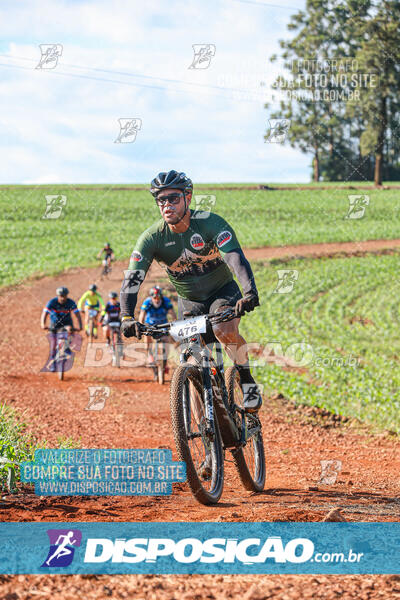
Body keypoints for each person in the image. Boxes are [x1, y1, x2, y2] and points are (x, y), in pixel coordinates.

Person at [120, 170, 262, 413]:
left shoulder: (210, 222)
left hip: (222, 293)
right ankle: (207, 435)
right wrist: (126, 316)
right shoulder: (152, 238)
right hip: (190, 302)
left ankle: (247, 380)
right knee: (193, 362)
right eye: (161, 200)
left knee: (224, 331)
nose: (167, 205)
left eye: (173, 198)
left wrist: (249, 292)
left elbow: (235, 257)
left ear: (188, 196)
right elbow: (133, 279)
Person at [41, 287, 82, 371]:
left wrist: (80, 325)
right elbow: (44, 313)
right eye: (61, 296)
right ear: (58, 296)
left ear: (67, 296)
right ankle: (53, 363)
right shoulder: (52, 302)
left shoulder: (71, 303)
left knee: (70, 331)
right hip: (54, 324)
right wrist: (43, 324)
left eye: (64, 296)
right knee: (53, 345)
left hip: (67, 323)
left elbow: (77, 314)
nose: (63, 298)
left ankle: (67, 348)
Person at [138, 285, 177, 365]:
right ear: (151, 297)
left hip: (163, 324)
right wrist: (140, 326)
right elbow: (142, 315)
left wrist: (175, 323)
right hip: (150, 324)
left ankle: (165, 360)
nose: (156, 300)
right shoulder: (147, 302)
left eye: (158, 298)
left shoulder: (166, 301)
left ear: (161, 297)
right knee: (147, 336)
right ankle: (149, 354)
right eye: (154, 298)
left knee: (166, 340)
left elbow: (173, 314)